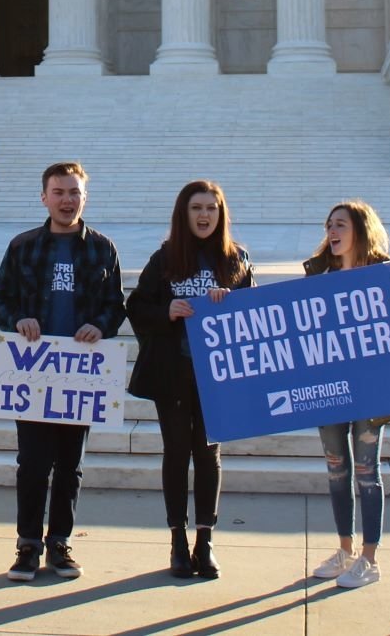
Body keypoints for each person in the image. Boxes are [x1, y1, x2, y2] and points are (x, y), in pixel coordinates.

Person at [0, 161, 126, 583]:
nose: (67, 200)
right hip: (34, 372)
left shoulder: (102, 248)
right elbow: (0, 300)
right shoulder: (23, 247)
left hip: (80, 374)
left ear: (85, 197)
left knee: (70, 465)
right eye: (59, 192)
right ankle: (27, 545)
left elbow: (116, 305)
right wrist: (19, 321)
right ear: (44, 197)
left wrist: (100, 325)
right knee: (31, 463)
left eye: (74, 192)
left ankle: (60, 544)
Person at [126, 180, 254, 580]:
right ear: (184, 213)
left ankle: (206, 540)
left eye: (211, 208)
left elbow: (256, 318)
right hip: (173, 374)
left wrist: (230, 304)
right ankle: (178, 541)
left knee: (209, 454)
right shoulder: (165, 258)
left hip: (216, 377)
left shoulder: (237, 259)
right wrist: (169, 309)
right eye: (197, 207)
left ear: (221, 214)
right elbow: (136, 306)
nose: (204, 215)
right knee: (177, 452)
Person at [302, 201, 390, 590]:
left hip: (370, 386)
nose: (331, 231)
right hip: (329, 384)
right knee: (337, 467)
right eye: (328, 224)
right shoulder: (318, 271)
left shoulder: (382, 271)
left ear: (359, 230)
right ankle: (344, 549)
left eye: (340, 225)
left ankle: (370, 557)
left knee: (367, 471)